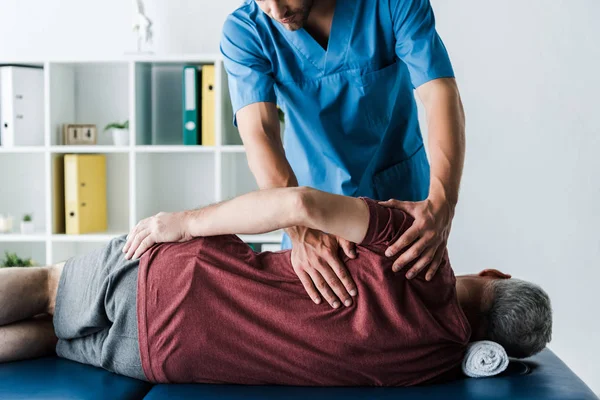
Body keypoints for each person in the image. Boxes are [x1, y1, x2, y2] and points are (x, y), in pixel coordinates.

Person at [0, 188, 552, 386]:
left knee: (51, 287)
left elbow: (298, 205)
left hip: (176, 283)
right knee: (51, 333)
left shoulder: (420, 253)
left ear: (494, 275)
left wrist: (184, 223)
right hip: (155, 359)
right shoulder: (432, 368)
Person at [220, 0, 467, 310]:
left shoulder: (391, 5)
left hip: (398, 201)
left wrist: (443, 205)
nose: (276, 10)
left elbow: (441, 93)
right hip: (308, 213)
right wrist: (300, 229)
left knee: (413, 322)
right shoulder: (248, 30)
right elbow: (260, 134)